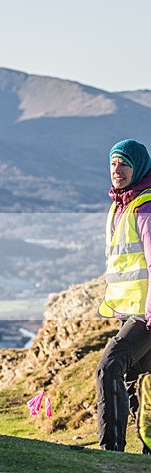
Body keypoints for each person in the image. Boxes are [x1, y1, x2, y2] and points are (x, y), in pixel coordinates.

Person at [97, 139, 151, 452]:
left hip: (145, 314)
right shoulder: (120, 207)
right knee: (139, 381)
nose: (117, 170)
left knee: (109, 367)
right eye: (114, 164)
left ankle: (112, 448)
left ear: (139, 167)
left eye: (125, 164)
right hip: (130, 311)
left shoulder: (145, 207)